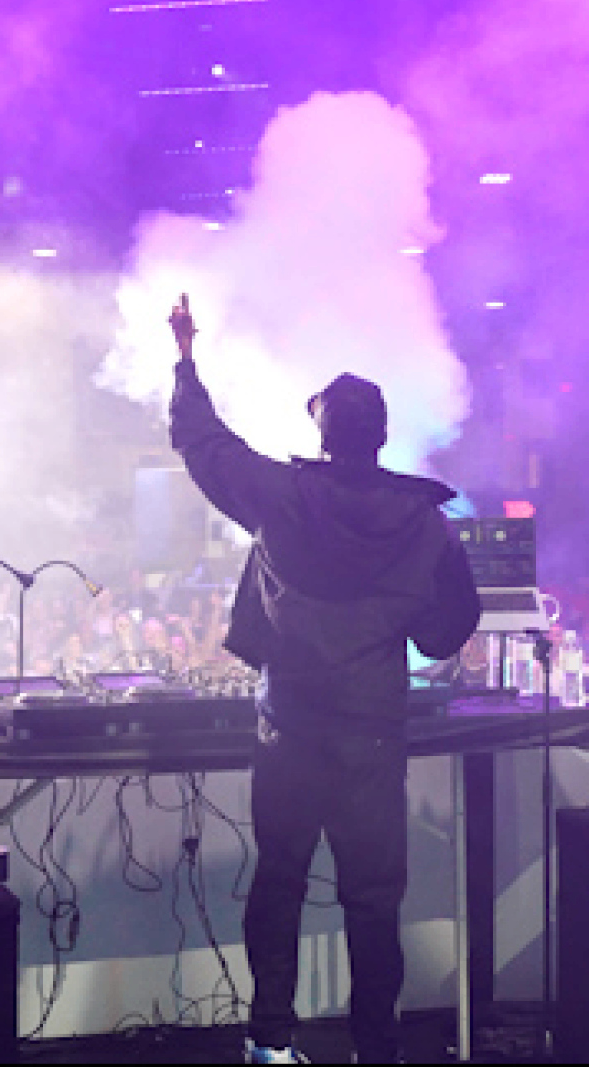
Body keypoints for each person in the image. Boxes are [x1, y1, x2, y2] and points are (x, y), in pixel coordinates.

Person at [167, 295, 481, 1065]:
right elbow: (450, 624)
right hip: (372, 738)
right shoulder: (424, 521)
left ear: (323, 433)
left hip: (290, 733)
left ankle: (272, 1042)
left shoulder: (283, 496)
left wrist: (186, 357)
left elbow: (205, 444)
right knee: (373, 903)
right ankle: (378, 1047)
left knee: (279, 885)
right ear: (381, 437)